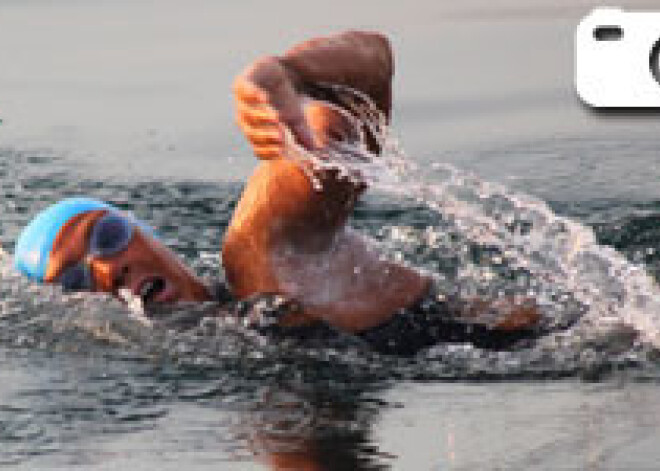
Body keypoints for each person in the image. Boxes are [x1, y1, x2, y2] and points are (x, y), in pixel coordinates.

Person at [13, 31, 546, 355]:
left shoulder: (259, 260)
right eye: (79, 278)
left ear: (147, 234)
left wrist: (290, 74)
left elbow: (367, 71)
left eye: (106, 237)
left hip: (580, 351)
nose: (108, 270)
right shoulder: (229, 342)